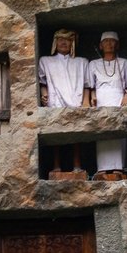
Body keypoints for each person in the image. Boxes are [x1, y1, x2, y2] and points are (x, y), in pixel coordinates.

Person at [39, 29, 88, 173]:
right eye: (60, 39)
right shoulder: (45, 61)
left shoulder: (82, 62)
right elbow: (42, 82)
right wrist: (44, 94)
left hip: (76, 100)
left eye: (67, 40)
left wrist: (86, 101)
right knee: (55, 134)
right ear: (55, 42)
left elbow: (86, 84)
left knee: (77, 134)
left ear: (73, 43)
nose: (63, 42)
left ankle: (77, 166)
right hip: (55, 100)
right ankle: (56, 166)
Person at [85, 31, 127, 176]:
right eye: (106, 41)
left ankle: (118, 167)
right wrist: (92, 97)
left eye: (112, 41)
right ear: (100, 45)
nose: (109, 44)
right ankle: (103, 168)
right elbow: (90, 85)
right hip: (101, 99)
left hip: (119, 99)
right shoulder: (93, 64)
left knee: (119, 132)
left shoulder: (124, 62)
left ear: (117, 45)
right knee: (102, 131)